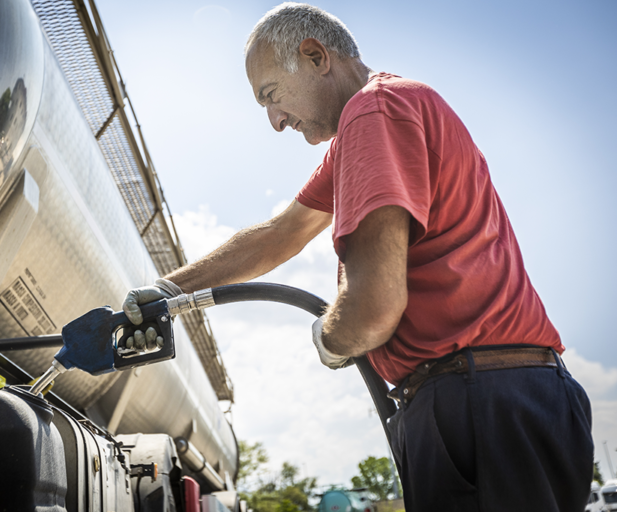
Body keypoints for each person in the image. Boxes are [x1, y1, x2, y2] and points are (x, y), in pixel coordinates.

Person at [121, 3, 594, 510]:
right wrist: (168, 291)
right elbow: (281, 234)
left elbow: (372, 312)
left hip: (480, 401)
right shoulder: (380, 117)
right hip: (513, 397)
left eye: (271, 95)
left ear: (315, 56)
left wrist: (329, 339)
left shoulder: (375, 111)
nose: (275, 122)